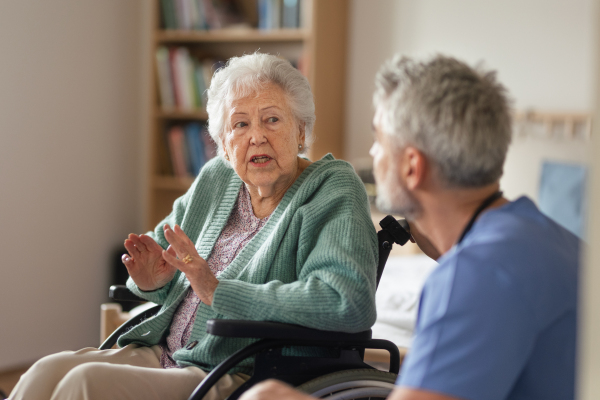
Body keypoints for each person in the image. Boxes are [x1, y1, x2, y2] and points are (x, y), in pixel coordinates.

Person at [9, 52, 378, 400]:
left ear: (300, 131)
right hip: (165, 350)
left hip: (240, 368)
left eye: (272, 119)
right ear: (223, 142)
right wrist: (153, 280)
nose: (256, 137)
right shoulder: (218, 178)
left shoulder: (331, 188)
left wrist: (219, 291)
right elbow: (160, 255)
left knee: (86, 384)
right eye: (240, 124)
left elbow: (347, 303)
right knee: (44, 373)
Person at [239, 54, 580, 400]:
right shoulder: (560, 243)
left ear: (412, 167)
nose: (372, 153)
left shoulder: (475, 275)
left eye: (379, 140)